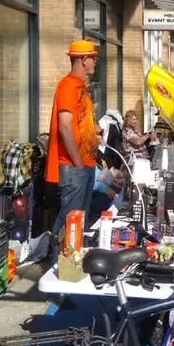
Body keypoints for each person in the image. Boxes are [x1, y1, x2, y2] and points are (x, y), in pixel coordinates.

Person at [45, 40, 100, 259]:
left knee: (77, 221)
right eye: (93, 57)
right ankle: (56, 269)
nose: (95, 61)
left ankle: (70, 267)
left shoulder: (80, 88)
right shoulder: (68, 85)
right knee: (69, 220)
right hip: (74, 166)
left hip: (84, 166)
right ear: (84, 60)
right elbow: (64, 126)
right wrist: (78, 162)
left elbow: (77, 123)